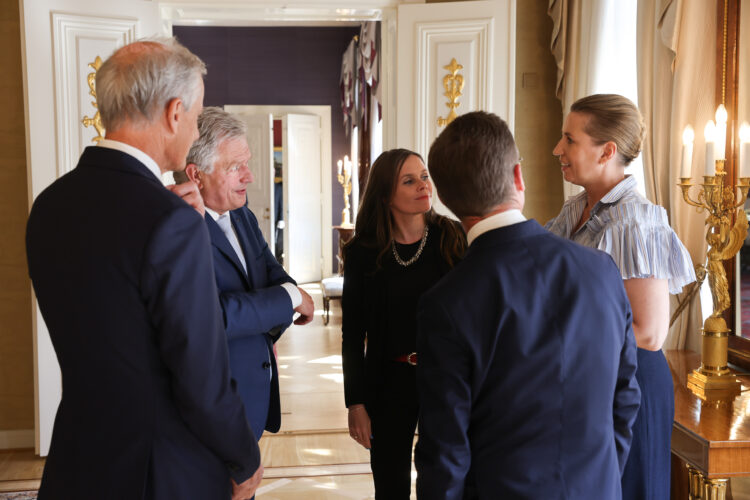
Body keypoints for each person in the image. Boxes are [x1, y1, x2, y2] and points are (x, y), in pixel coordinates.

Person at [25, 39, 263, 500]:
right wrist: (244, 458)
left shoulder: (49, 206)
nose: (195, 133)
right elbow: (201, 377)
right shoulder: (171, 221)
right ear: (175, 113)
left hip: (77, 457)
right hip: (163, 471)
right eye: (195, 117)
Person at [417, 111, 641, 499]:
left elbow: (445, 454)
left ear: (445, 200)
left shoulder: (446, 304)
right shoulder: (601, 271)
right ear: (518, 178)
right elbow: (625, 401)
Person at [546, 94, 696, 500]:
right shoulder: (576, 209)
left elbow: (648, 333)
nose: (558, 149)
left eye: (569, 139)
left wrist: (556, 338)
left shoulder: (634, 219)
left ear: (607, 151)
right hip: (590, 380)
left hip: (631, 385)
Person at [184, 107, 315, 443]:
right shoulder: (180, 231)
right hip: (210, 408)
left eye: (247, 163)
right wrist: (292, 298)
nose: (250, 176)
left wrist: (266, 323)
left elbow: (273, 275)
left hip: (253, 396)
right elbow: (218, 317)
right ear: (196, 175)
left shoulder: (243, 216)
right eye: (235, 167)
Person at [341, 148, 466, 499]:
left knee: (444, 481)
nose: (423, 186)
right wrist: (356, 403)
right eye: (409, 181)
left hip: (446, 380)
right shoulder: (362, 253)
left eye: (424, 176)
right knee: (391, 484)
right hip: (388, 382)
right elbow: (353, 335)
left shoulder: (453, 238)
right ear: (385, 195)